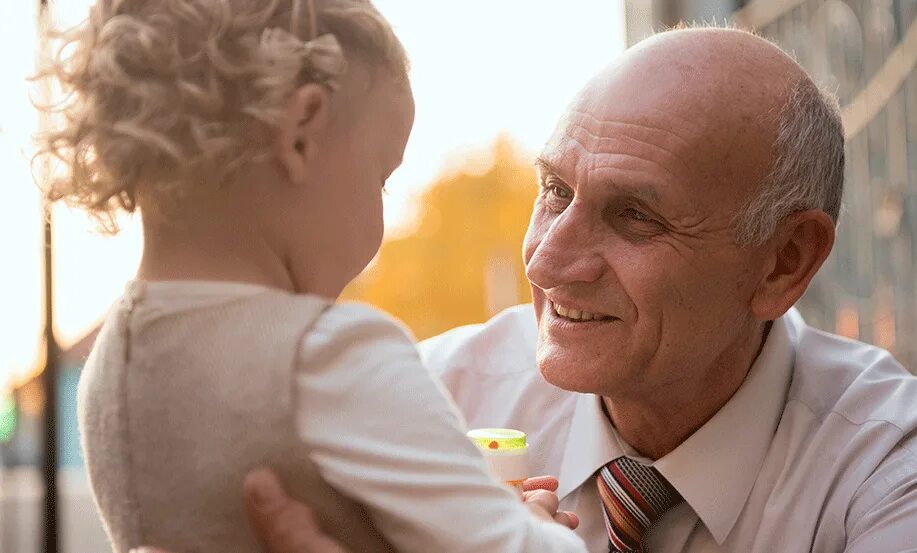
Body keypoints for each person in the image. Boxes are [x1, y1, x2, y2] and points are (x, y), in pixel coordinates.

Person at [240, 26, 917, 553]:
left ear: (784, 261)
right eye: (553, 190)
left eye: (634, 216)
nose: (547, 261)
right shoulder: (425, 404)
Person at [38, 0, 587, 552]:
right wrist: (537, 529)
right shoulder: (328, 355)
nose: (381, 215)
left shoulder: (109, 369)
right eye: (382, 176)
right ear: (301, 133)